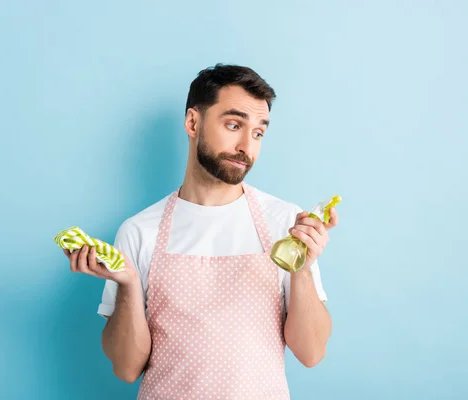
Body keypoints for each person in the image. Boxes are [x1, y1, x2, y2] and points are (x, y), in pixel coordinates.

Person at [63, 63, 339, 399]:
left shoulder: (285, 223)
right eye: (234, 124)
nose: (246, 147)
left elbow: (311, 353)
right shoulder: (139, 231)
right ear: (193, 123)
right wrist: (128, 285)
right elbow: (126, 368)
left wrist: (304, 268)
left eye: (258, 133)